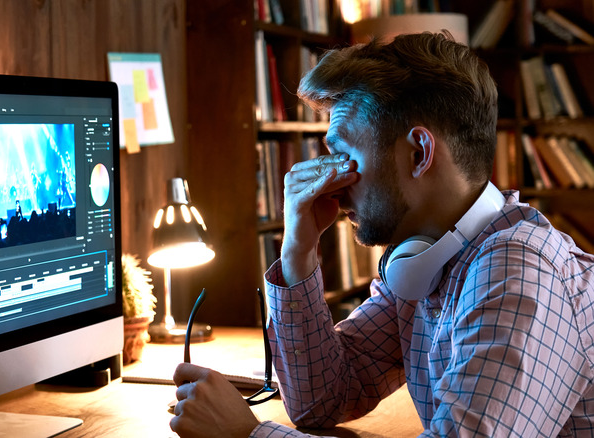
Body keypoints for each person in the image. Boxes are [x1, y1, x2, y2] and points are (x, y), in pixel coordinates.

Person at [170, 31, 594, 437]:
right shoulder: (423, 262)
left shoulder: (516, 271)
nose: (331, 182)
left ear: (419, 153)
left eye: (343, 155)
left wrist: (247, 435)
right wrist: (299, 251)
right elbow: (321, 401)